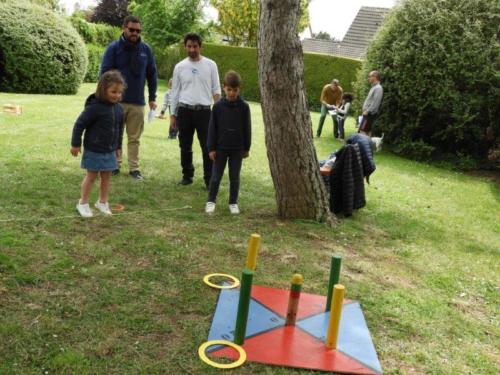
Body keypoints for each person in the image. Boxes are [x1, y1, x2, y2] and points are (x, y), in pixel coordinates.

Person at [100, 15, 158, 181]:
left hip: (138, 102)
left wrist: (152, 97)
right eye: (131, 30)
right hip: (115, 102)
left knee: (134, 138)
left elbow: (152, 75)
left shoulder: (146, 50)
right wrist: (105, 96)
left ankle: (134, 168)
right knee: (114, 135)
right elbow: (105, 74)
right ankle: (114, 165)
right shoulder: (113, 48)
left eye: (138, 31)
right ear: (124, 28)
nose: (135, 33)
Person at [70, 70, 125, 218]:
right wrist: (75, 144)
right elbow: (79, 124)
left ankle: (102, 202)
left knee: (107, 176)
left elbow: (120, 130)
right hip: (94, 149)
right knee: (91, 176)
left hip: (110, 150)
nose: (117, 95)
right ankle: (83, 203)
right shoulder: (94, 108)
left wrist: (118, 147)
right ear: (103, 89)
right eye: (113, 92)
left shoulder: (119, 109)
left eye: (120, 92)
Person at [170, 33, 221, 187]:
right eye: (189, 46)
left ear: (200, 46)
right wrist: (173, 115)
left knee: (208, 147)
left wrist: (218, 114)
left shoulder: (211, 65)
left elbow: (216, 90)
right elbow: (175, 93)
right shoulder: (179, 67)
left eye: (195, 46)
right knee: (185, 145)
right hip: (184, 111)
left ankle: (209, 179)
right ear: (185, 46)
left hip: (205, 112)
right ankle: (187, 176)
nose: (192, 49)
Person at [205, 71, 251, 215]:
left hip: (237, 149)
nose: (232, 93)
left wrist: (246, 148)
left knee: (234, 176)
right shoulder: (217, 107)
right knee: (216, 176)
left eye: (235, 90)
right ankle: (211, 201)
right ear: (224, 88)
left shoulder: (244, 107)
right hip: (220, 149)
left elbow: (247, 128)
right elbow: (212, 128)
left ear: (239, 89)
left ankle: (233, 202)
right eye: (229, 89)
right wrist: (211, 148)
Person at [359, 71, 383, 136]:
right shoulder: (374, 87)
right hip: (367, 114)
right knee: (366, 132)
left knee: (363, 131)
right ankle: (367, 145)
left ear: (375, 77)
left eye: (369, 76)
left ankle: (364, 145)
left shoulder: (378, 88)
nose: (368, 78)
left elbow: (376, 102)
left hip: (369, 114)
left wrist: (367, 111)